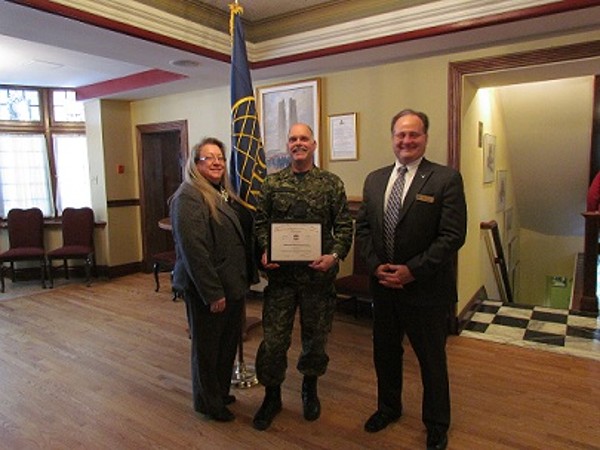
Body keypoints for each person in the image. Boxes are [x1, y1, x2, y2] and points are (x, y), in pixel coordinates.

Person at [355, 109, 467, 450]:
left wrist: (412, 270)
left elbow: (452, 236)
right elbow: (363, 230)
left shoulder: (445, 179)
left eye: (413, 134)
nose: (406, 141)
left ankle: (436, 424)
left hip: (426, 290)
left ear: (425, 138)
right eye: (400, 135)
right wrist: (376, 267)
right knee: (385, 354)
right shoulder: (374, 179)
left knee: (431, 360)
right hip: (384, 288)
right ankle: (388, 408)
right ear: (392, 138)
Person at [252, 123, 353, 431]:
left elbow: (345, 228)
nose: (298, 143)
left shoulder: (331, 184)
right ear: (287, 145)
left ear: (314, 144)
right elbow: (259, 224)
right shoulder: (271, 184)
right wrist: (266, 249)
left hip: (317, 281)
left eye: (303, 139)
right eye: (293, 139)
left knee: (315, 340)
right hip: (281, 281)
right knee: (273, 342)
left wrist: (333, 257)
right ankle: (272, 396)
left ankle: (310, 389)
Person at [170, 137, 256, 422]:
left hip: (231, 284)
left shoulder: (220, 192)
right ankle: (208, 402)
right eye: (209, 158)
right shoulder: (189, 197)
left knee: (226, 344)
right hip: (208, 289)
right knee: (207, 349)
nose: (218, 162)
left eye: (220, 157)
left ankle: (219, 391)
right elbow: (195, 251)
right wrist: (213, 293)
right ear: (195, 164)